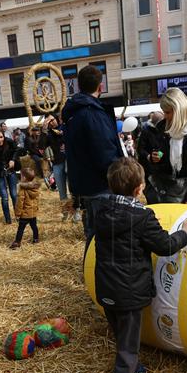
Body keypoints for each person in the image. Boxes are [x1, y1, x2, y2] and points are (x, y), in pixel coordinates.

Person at [92, 158, 187, 373]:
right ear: (140, 188)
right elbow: (164, 245)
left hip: (105, 288)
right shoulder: (142, 217)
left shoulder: (100, 209)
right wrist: (185, 233)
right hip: (129, 293)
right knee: (128, 348)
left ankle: (133, 370)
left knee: (120, 332)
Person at [63, 65, 123, 242]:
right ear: (100, 86)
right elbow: (105, 151)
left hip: (85, 185)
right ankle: (95, 270)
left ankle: (91, 268)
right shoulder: (92, 113)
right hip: (100, 185)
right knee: (103, 238)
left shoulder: (74, 112)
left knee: (93, 235)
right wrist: (121, 177)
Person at [137, 87, 187, 205]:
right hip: (169, 195)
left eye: (168, 112)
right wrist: (156, 158)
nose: (166, 116)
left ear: (179, 110)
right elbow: (162, 156)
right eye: (164, 112)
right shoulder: (162, 129)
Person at [44, 115, 69, 219]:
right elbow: (41, 146)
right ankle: (65, 213)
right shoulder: (48, 133)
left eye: (52, 120)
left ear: (57, 119)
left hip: (69, 160)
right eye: (48, 121)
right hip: (57, 163)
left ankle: (76, 211)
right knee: (62, 191)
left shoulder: (65, 127)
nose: (51, 122)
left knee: (73, 188)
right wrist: (44, 130)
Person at [10, 168, 41, 249]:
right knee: (34, 227)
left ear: (24, 178)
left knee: (20, 229)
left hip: (25, 214)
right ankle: (36, 239)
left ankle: (17, 242)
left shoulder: (22, 189)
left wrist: (17, 214)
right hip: (33, 213)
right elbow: (37, 201)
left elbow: (20, 203)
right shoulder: (36, 188)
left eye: (21, 175)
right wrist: (36, 209)